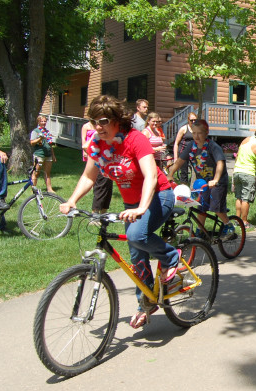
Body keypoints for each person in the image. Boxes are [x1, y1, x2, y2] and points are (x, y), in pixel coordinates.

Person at [61, 95, 181, 329]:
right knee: (137, 256)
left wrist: (143, 207)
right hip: (132, 204)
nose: (98, 126)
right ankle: (145, 305)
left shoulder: (135, 139)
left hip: (158, 196)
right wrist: (72, 200)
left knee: (137, 237)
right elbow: (88, 176)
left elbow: (151, 175)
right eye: (94, 121)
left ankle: (171, 257)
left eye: (103, 121)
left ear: (117, 119)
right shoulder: (99, 144)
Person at [81, 109, 113, 214]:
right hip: (99, 161)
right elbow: (85, 145)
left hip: (109, 163)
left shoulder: (106, 130)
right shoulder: (96, 131)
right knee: (100, 187)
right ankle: (95, 214)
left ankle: (104, 214)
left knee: (108, 188)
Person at [30, 114, 56, 193]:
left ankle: (49, 189)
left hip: (48, 155)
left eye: (45, 121)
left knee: (47, 173)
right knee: (36, 172)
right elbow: (32, 143)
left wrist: (53, 155)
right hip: (39, 154)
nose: (44, 122)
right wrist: (40, 138)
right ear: (38, 122)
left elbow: (50, 144)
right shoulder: (36, 131)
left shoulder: (47, 132)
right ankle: (33, 189)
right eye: (42, 121)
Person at [172, 112, 197, 185]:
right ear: (188, 120)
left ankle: (194, 190)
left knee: (197, 171)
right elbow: (176, 143)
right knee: (184, 173)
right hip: (183, 153)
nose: (193, 122)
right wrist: (175, 157)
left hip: (194, 153)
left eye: (195, 120)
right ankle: (184, 190)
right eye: (191, 120)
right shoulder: (184, 129)